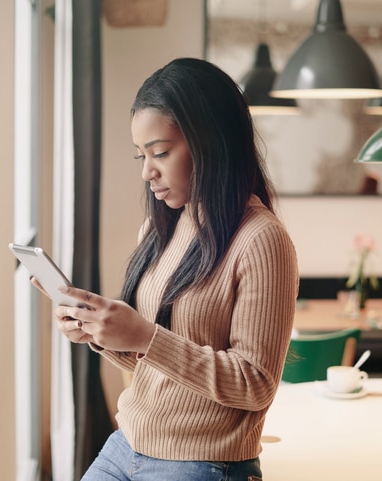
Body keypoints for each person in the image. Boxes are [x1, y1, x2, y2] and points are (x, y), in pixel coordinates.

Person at [37, 58, 299, 480]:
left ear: (211, 142)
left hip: (202, 460)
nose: (147, 172)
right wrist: (100, 334)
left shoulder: (261, 240)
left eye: (160, 152)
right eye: (141, 155)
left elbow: (255, 384)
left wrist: (144, 336)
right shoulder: (163, 227)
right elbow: (156, 364)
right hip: (127, 442)